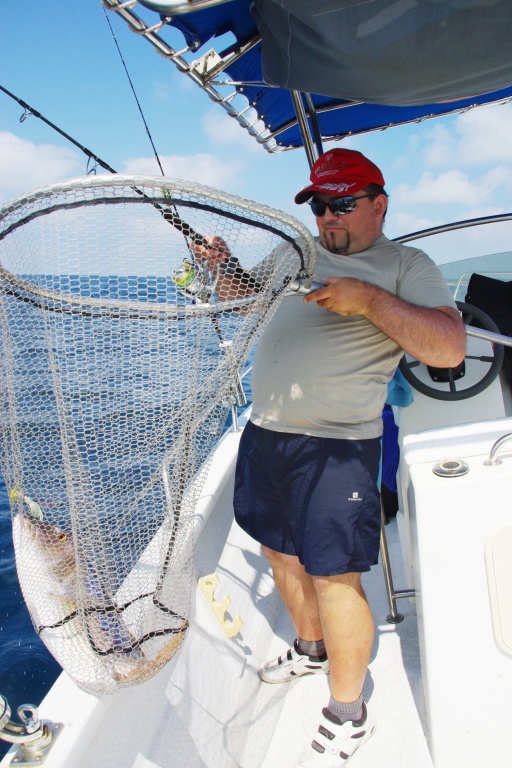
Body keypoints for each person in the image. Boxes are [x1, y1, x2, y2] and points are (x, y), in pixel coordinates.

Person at [193, 148, 466, 767]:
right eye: (319, 205)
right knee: (278, 550)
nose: (328, 218)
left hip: (338, 446)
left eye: (341, 203)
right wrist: (221, 267)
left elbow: (449, 349)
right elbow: (244, 299)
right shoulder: (295, 252)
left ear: (378, 204)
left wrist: (367, 300)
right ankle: (311, 648)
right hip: (265, 435)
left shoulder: (406, 265)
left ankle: (349, 708)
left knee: (335, 574)